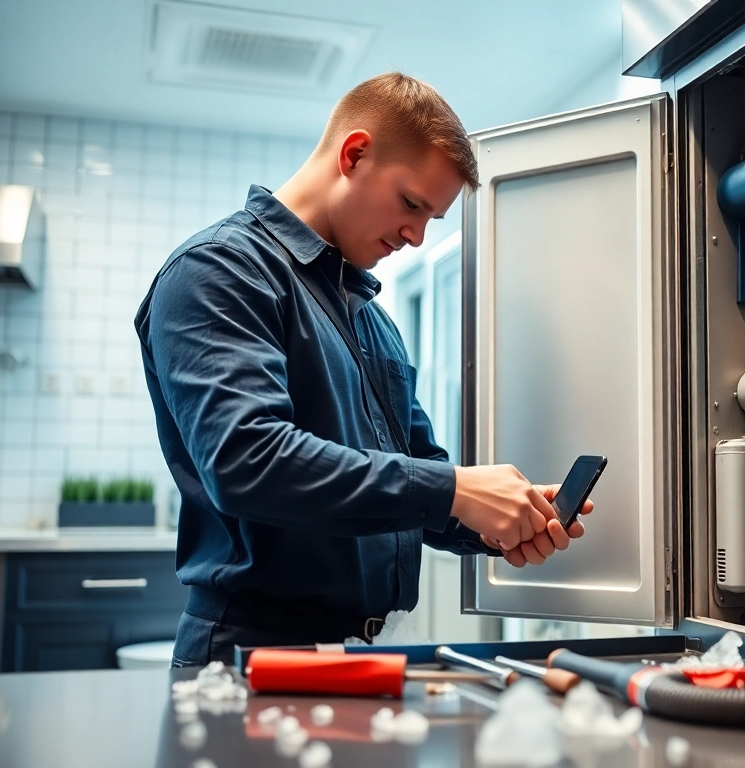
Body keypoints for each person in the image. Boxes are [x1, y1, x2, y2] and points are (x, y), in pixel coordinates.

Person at [135, 72, 591, 667]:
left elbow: (416, 469)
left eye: (432, 219)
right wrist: (456, 488)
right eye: (411, 204)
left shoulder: (370, 317)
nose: (416, 237)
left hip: (362, 649)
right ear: (354, 154)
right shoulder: (219, 271)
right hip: (248, 652)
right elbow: (247, 462)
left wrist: (500, 520)